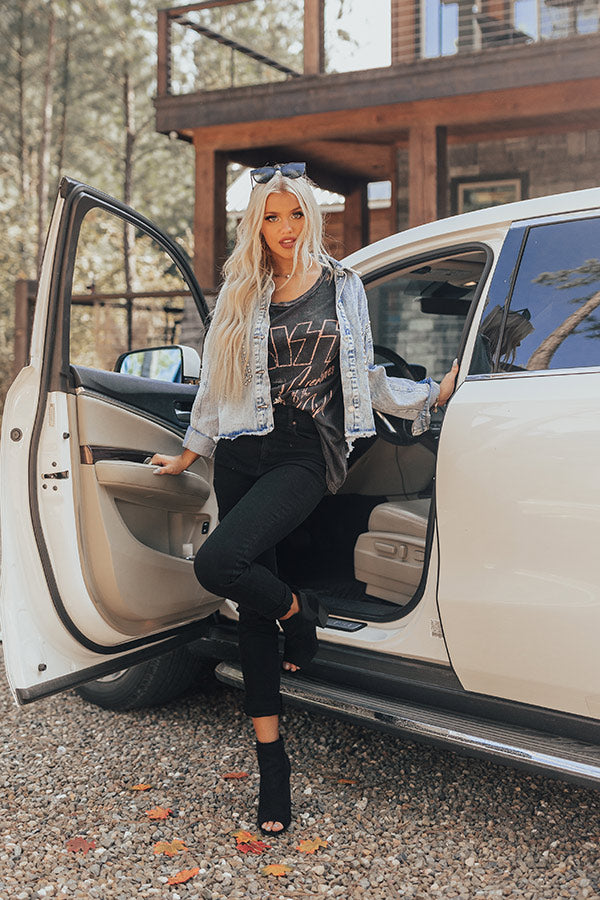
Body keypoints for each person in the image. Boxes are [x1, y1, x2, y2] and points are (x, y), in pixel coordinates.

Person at [150, 162, 458, 835]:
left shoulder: (343, 285)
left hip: (302, 452)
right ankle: (273, 764)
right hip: (240, 449)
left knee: (218, 564)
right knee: (251, 605)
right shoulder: (241, 290)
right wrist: (189, 452)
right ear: (256, 224)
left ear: (310, 216)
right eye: (272, 217)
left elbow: (362, 372)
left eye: (295, 214)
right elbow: (215, 383)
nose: (286, 228)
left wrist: (427, 396)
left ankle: (299, 613)